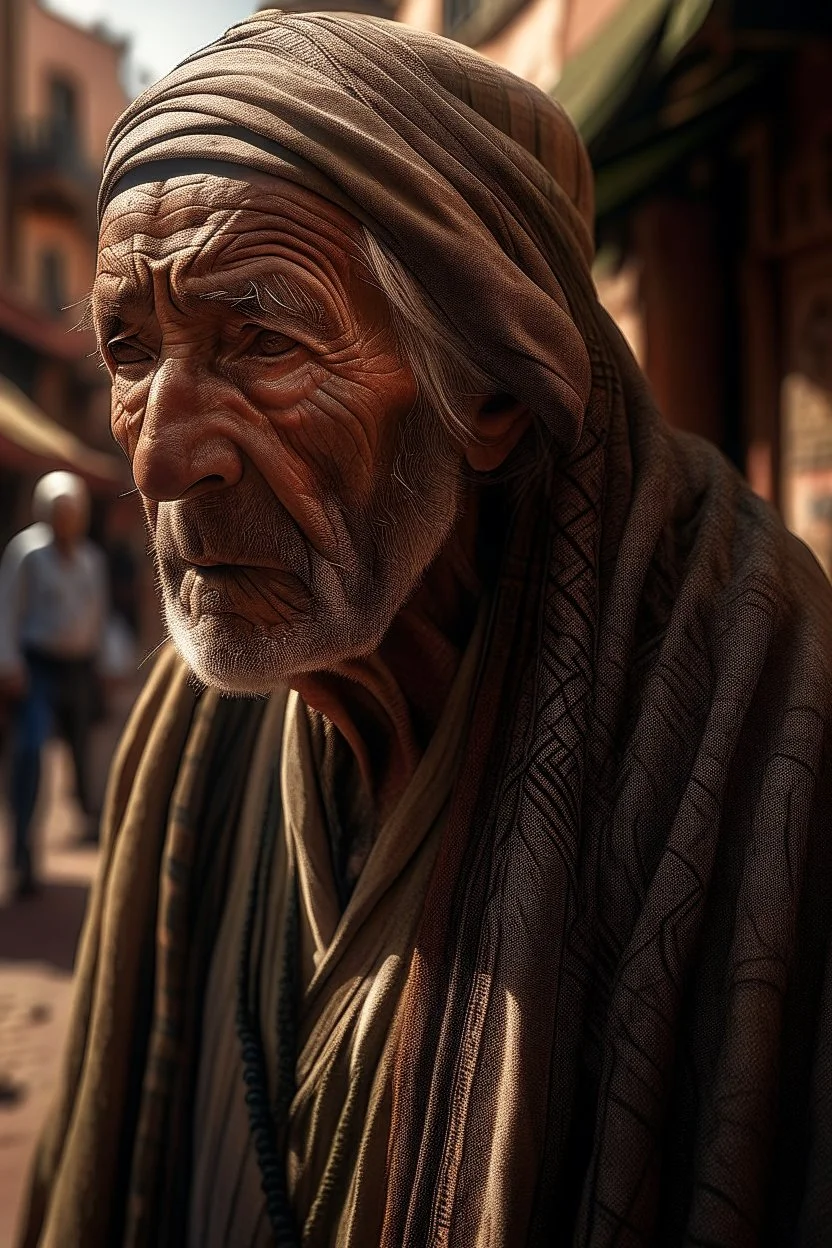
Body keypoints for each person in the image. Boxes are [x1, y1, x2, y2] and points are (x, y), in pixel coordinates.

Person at [17, 13, 832, 1246]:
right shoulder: (193, 739)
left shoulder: (766, 722)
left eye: (261, 340)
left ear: (492, 392)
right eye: (131, 350)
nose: (160, 450)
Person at [0, 472, 108, 895]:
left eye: (74, 513)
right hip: (37, 666)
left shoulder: (91, 560)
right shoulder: (27, 553)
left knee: (89, 751)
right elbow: (8, 610)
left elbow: (97, 617)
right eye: (61, 513)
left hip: (80, 668)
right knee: (30, 749)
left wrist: (104, 663)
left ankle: (90, 820)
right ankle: (23, 847)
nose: (69, 520)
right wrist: (9, 665)